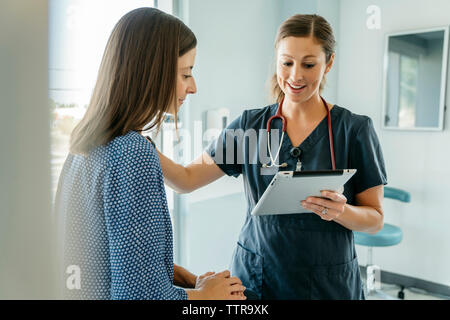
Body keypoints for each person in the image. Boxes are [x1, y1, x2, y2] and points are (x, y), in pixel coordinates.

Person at [157, 14, 387, 300]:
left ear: (328, 64)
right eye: (287, 62)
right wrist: (140, 143)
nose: (295, 76)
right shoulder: (249, 126)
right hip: (257, 281)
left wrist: (343, 212)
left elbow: (375, 219)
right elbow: (186, 180)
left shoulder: (354, 130)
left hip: (330, 284)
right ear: (277, 60)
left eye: (309, 64)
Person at [54, 7, 246, 300]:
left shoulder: (83, 146)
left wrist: (187, 279)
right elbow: (139, 296)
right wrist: (206, 297)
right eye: (185, 74)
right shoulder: (133, 154)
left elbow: (115, 259)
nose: (192, 87)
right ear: (153, 72)